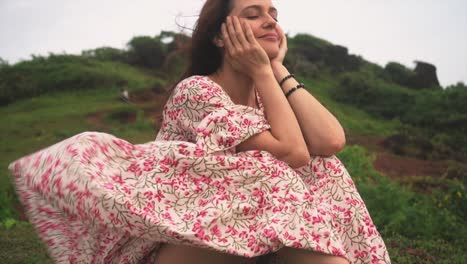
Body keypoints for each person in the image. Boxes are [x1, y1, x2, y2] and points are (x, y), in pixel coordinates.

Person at [8, 0, 391, 263]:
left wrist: (277, 69)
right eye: (254, 15)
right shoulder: (196, 91)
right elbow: (292, 153)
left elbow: (329, 142)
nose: (272, 22)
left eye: (274, 13)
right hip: (182, 249)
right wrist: (261, 69)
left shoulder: (267, 96)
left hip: (250, 243)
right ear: (221, 36)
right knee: (270, 170)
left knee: (326, 169)